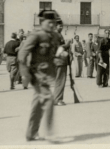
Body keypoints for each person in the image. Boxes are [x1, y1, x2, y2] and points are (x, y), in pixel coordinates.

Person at [18, 10, 61, 142]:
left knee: (37, 104)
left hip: (47, 74)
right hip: (36, 75)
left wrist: (59, 56)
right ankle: (50, 133)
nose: (52, 25)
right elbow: (22, 55)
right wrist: (25, 75)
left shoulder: (54, 36)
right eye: (49, 22)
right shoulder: (36, 35)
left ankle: (31, 133)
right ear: (42, 22)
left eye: (54, 23)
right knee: (48, 99)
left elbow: (52, 54)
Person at [53, 20, 72, 106]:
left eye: (62, 26)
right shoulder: (56, 35)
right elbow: (57, 48)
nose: (61, 27)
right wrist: (67, 44)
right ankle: (58, 99)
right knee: (60, 80)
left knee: (59, 80)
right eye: (59, 26)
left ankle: (56, 99)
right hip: (60, 61)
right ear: (55, 26)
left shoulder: (57, 35)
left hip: (60, 61)